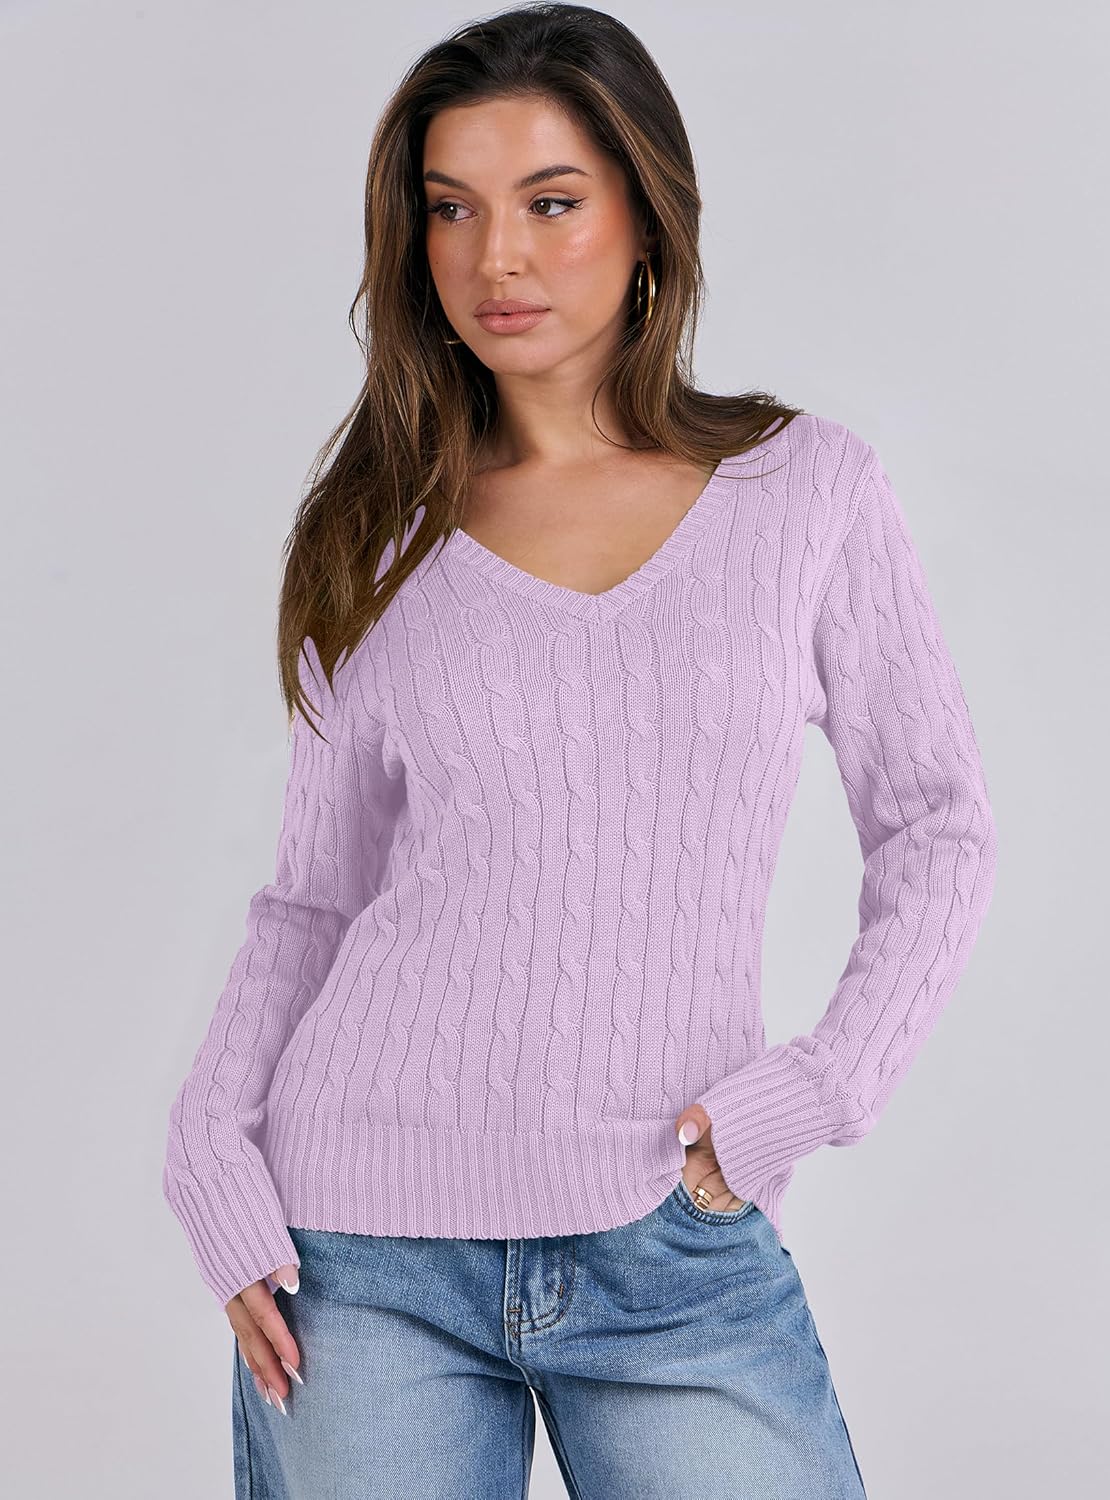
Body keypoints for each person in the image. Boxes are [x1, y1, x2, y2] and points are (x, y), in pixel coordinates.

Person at [162, 6, 997, 1496]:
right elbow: (312, 900)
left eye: (550, 203)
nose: (499, 257)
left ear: (646, 214)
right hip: (358, 1249)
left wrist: (819, 1087)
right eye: (453, 209)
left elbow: (936, 830)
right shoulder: (373, 532)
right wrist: (208, 1142)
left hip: (670, 1235)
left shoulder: (806, 493)